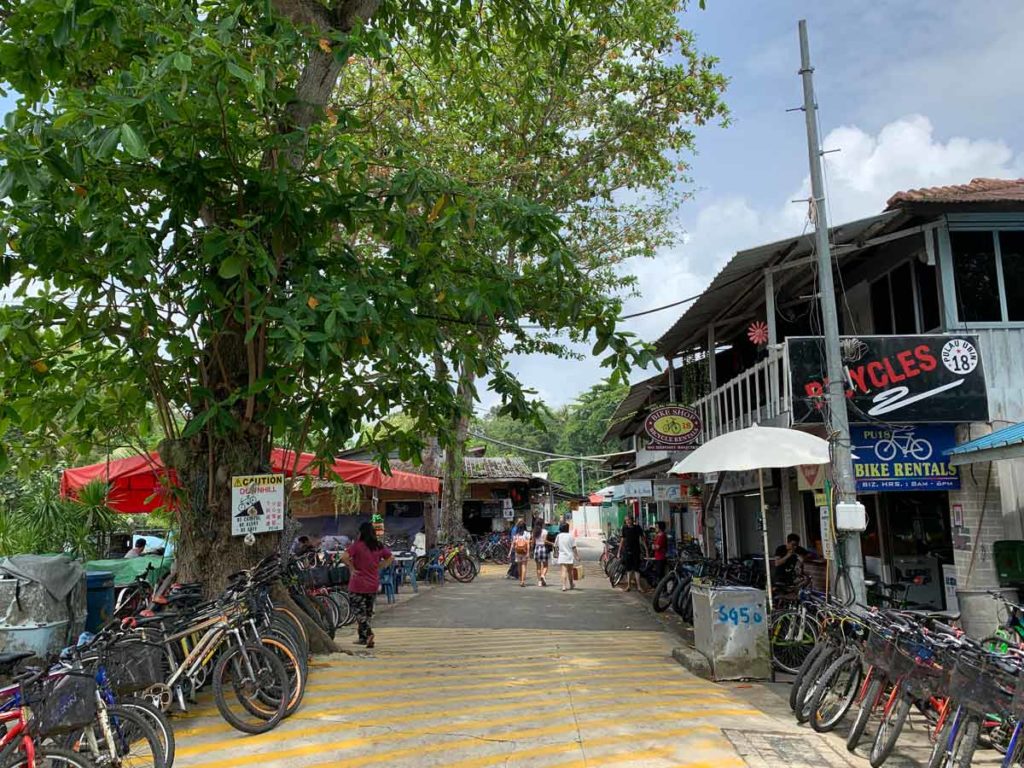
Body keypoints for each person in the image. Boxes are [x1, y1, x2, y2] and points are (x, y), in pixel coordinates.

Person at [340, 521, 393, 648]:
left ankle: (368, 633)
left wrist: (352, 568)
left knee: (359, 612)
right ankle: (363, 638)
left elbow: (344, 557)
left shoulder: (357, 546)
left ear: (361, 533)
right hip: (372, 584)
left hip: (358, 584)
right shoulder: (378, 546)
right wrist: (379, 566)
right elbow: (390, 558)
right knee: (368, 612)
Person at [618, 515, 648, 592]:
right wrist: (619, 551)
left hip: (636, 551)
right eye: (626, 520)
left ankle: (639, 587)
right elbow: (622, 540)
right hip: (627, 551)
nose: (627, 521)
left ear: (632, 520)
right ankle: (628, 586)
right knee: (628, 570)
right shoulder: (624, 528)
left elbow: (643, 539)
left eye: (628, 520)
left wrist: (646, 550)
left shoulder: (637, 528)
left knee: (636, 569)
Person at [554, 522, 578, 592]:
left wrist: (555, 554)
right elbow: (574, 547)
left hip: (562, 556)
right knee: (570, 571)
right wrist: (576, 556)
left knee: (563, 571)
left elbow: (555, 546)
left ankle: (564, 586)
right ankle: (571, 585)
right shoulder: (571, 536)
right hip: (569, 556)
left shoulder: (559, 536)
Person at [511, 519, 531, 587]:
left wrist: (511, 551)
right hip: (524, 551)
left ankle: (520, 579)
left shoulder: (516, 534)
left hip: (517, 552)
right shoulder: (527, 533)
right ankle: (522, 581)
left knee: (519, 566)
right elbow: (528, 544)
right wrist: (528, 552)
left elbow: (513, 543)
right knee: (524, 566)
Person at [532, 520, 550, 587]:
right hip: (543, 548)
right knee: (545, 565)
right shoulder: (545, 531)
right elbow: (545, 541)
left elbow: (533, 542)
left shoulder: (534, 532)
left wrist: (531, 549)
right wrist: (551, 543)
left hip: (537, 549)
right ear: (542, 524)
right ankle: (543, 575)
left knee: (538, 567)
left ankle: (539, 581)